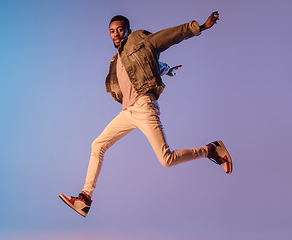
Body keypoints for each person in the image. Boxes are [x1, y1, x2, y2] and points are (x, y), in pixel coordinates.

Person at [59, 11, 232, 218]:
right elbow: (149, 63)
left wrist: (200, 27)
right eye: (112, 32)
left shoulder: (138, 39)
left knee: (166, 159)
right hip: (128, 112)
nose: (115, 34)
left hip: (144, 106)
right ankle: (85, 199)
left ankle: (211, 150)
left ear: (128, 30)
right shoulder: (117, 59)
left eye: (120, 30)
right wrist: (167, 69)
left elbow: (169, 36)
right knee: (97, 145)